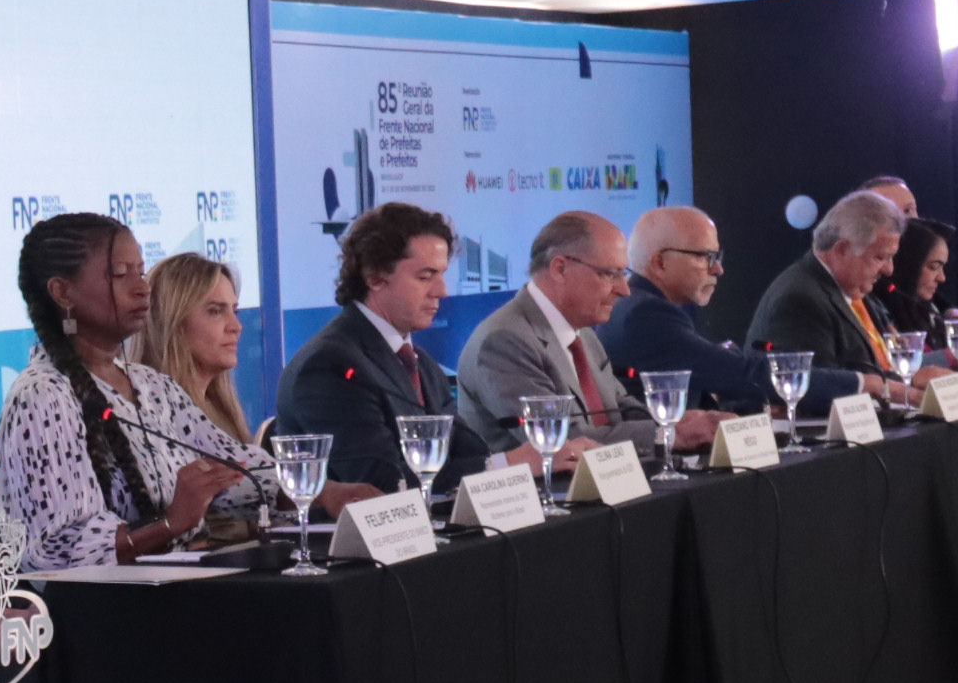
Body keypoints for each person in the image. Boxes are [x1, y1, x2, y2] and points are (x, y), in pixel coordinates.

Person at [0, 214, 344, 567]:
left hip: (174, 587)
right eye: (120, 274)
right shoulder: (43, 396)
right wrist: (170, 523)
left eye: (141, 272)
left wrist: (324, 492)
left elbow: (236, 473)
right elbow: (57, 551)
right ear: (63, 292)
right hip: (99, 599)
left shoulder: (153, 386)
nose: (141, 288)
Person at [275, 203, 571, 498]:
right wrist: (509, 463)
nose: (441, 291)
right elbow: (383, 482)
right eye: (425, 276)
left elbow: (468, 451)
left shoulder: (420, 362)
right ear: (375, 277)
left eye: (441, 274)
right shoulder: (329, 366)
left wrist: (503, 464)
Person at [455, 210, 717, 464]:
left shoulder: (583, 333)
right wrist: (671, 435)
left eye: (623, 274)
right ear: (560, 269)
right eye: (610, 274)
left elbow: (620, 407)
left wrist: (681, 422)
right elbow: (563, 443)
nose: (624, 290)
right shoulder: (504, 342)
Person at [605, 204, 807, 413]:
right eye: (704, 256)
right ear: (660, 262)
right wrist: (826, 387)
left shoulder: (637, 305)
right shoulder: (646, 315)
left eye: (717, 257)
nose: (718, 269)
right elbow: (744, 374)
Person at [748, 188, 917, 387]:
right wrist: (905, 386)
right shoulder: (800, 300)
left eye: (891, 258)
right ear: (842, 249)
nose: (889, 270)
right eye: (880, 257)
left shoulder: (855, 289)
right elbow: (820, 389)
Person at [133, 249, 254, 451]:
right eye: (215, 311)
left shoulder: (222, 412)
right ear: (172, 321)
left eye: (235, 311)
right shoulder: (150, 417)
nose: (236, 326)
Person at [883, 215, 956, 339]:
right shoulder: (880, 316)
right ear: (907, 265)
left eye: (942, 267)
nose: (942, 278)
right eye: (934, 267)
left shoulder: (932, 312)